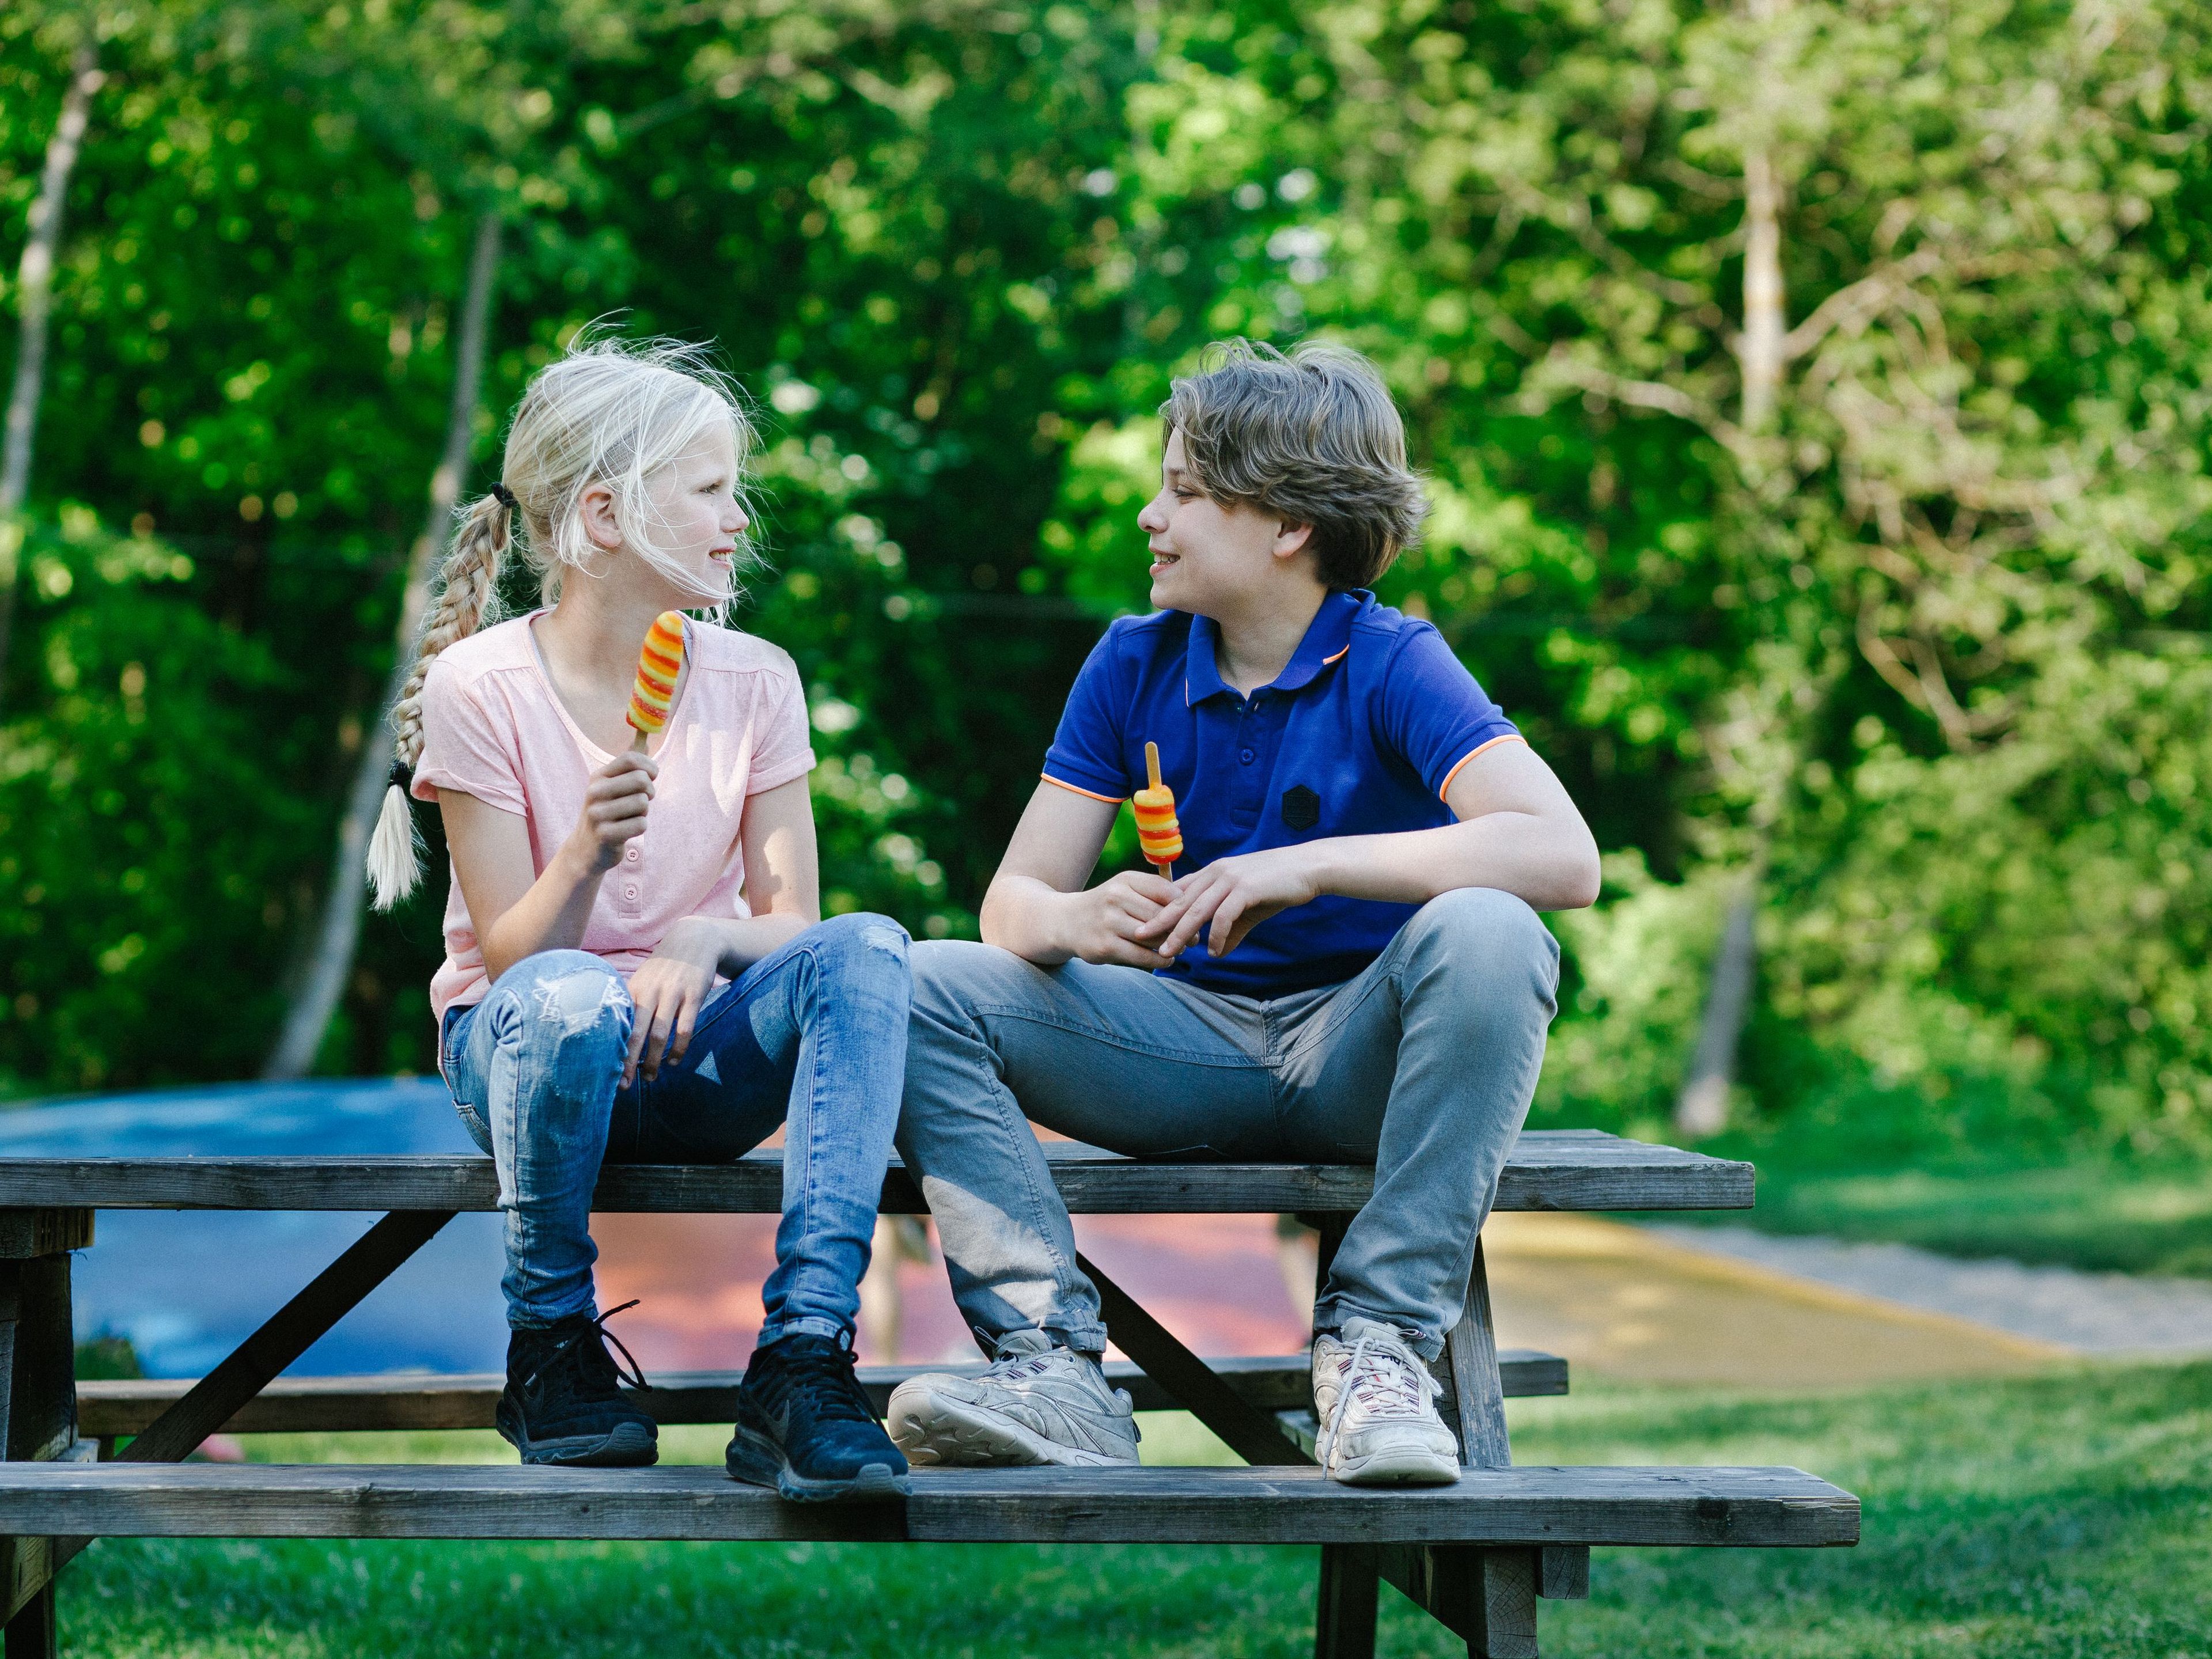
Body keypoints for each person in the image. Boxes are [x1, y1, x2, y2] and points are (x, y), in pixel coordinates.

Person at [887, 339, 1600, 1486]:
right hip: (1182, 1047)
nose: (1148, 516)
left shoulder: (1396, 660)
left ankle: (1377, 1351)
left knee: (1499, 931)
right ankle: (1057, 1365)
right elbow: (1010, 903)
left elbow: (1563, 856)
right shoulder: (1131, 665)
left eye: (1183, 492)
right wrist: (1070, 923)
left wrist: (1309, 869)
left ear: (1285, 527)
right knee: (914, 980)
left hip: (1356, 1054)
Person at [366, 335, 912, 1502]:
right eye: (711, 489)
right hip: (523, 1051)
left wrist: (699, 939)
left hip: (688, 1053)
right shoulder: (482, 686)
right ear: (605, 516)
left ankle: (805, 1357)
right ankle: (550, 1340)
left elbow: (794, 921)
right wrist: (586, 850)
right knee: (569, 1000)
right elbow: (512, 958)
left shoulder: (757, 680)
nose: (738, 518)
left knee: (870, 949)